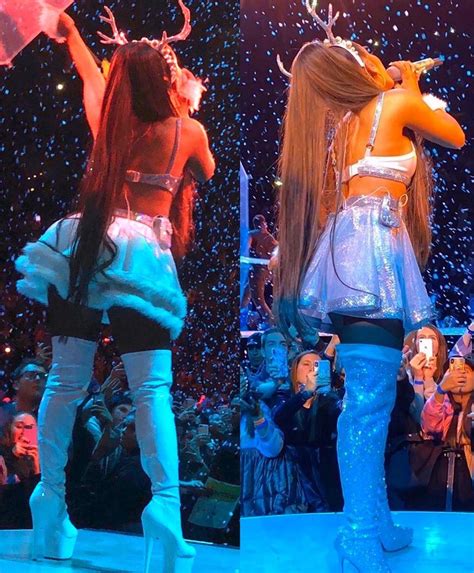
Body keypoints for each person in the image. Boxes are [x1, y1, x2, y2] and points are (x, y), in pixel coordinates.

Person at [14, 3, 214, 571]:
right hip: (142, 255)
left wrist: (71, 31)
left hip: (86, 243)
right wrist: (183, 104)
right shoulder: (186, 130)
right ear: (167, 80)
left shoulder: (108, 119)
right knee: (152, 389)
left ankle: (49, 501)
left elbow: (86, 69)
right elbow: (210, 170)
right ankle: (167, 511)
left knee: (65, 380)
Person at [274, 4, 465, 571]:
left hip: (345, 259)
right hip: (374, 258)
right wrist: (413, 84)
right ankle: (359, 532)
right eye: (371, 54)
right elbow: (454, 135)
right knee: (368, 405)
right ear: (360, 67)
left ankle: (374, 523)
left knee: (366, 402)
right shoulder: (393, 102)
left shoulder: (341, 132)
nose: (380, 57)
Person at [241, 214, 278, 326]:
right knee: (246, 295)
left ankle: (273, 324)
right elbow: (277, 249)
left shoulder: (252, 234)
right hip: (266, 271)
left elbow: (245, 248)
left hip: (257, 270)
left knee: (258, 300)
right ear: (263, 224)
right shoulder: (269, 237)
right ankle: (240, 311)